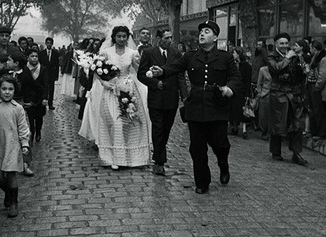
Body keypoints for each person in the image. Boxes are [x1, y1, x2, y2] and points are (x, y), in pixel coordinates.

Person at [150, 20, 243, 194]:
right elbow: (174, 67)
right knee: (197, 147)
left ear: (215, 37)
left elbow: (236, 78)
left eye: (207, 31)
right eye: (201, 31)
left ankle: (223, 165)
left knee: (220, 144)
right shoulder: (190, 56)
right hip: (196, 108)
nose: (202, 34)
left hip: (217, 107)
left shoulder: (225, 57)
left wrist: (230, 88)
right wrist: (161, 71)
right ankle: (202, 182)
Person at [79, 26, 151, 170]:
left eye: (124, 36)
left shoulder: (133, 52)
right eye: (119, 36)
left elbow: (139, 70)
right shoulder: (106, 52)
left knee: (128, 123)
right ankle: (113, 157)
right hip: (110, 91)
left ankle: (130, 157)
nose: (122, 39)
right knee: (114, 122)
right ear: (114, 37)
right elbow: (97, 72)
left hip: (128, 90)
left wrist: (147, 76)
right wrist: (105, 83)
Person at [137, 29, 187, 175]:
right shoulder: (149, 53)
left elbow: (180, 77)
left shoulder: (176, 54)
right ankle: (159, 162)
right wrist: (154, 83)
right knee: (158, 128)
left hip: (171, 99)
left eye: (171, 38)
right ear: (158, 38)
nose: (170, 40)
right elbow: (141, 74)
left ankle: (158, 153)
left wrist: (184, 97)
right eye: (166, 38)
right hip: (156, 99)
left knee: (166, 129)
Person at [0, 76, 30, 218]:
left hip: (12, 144)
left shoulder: (18, 108)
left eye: (10, 89)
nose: (7, 92)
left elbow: (23, 128)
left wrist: (24, 144)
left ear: (14, 91)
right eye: (4, 89)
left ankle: (14, 202)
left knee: (11, 173)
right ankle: (7, 193)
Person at [266, 32, 308, 165]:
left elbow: (299, 75)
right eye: (281, 43)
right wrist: (288, 58)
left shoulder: (294, 55)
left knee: (296, 124)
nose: (284, 46)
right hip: (278, 94)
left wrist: (304, 69)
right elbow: (276, 69)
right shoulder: (271, 56)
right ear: (276, 44)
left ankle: (296, 153)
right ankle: (276, 151)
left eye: (286, 43)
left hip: (293, 94)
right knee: (278, 123)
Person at [7, 52, 43, 176]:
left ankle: (25, 164)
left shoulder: (26, 75)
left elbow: (39, 88)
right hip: (6, 107)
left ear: (16, 63)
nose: (7, 63)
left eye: (9, 60)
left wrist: (32, 103)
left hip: (19, 106)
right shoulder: (6, 74)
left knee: (24, 135)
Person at [307, 40, 326, 140]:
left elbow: (323, 75)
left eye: (311, 48)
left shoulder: (324, 59)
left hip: (317, 87)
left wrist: (317, 87)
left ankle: (321, 132)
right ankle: (314, 131)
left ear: (314, 48)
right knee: (312, 110)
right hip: (310, 84)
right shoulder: (315, 57)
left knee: (319, 111)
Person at [228, 47, 252, 139]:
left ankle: (244, 130)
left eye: (234, 53)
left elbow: (247, 81)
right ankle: (234, 127)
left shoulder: (246, 66)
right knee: (233, 109)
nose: (233, 55)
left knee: (243, 110)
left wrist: (247, 94)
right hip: (233, 90)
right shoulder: (232, 65)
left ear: (238, 54)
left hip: (242, 91)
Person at [26, 48, 48, 142]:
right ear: (28, 58)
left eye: (36, 56)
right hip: (29, 97)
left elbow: (46, 85)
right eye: (32, 56)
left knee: (39, 117)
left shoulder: (42, 69)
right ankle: (32, 132)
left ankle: (38, 131)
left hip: (40, 97)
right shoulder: (25, 69)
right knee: (30, 118)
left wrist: (45, 98)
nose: (34, 58)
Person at [39, 37, 60, 110]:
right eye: (48, 43)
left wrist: (56, 75)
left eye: (50, 43)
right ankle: (43, 102)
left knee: (51, 89)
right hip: (43, 74)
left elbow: (57, 65)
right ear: (45, 43)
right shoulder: (41, 53)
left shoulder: (55, 53)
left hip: (52, 74)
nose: (49, 44)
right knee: (43, 88)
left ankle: (50, 104)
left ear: (52, 44)